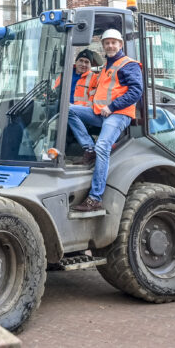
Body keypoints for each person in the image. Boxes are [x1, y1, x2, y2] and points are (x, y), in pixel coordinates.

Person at [68, 29, 143, 212]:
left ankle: (95, 198)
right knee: (68, 111)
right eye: (106, 43)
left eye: (113, 42)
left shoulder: (128, 65)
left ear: (120, 45)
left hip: (119, 114)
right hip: (101, 113)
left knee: (103, 146)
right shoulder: (105, 68)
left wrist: (112, 107)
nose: (110, 45)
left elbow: (136, 91)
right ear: (103, 46)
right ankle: (88, 148)